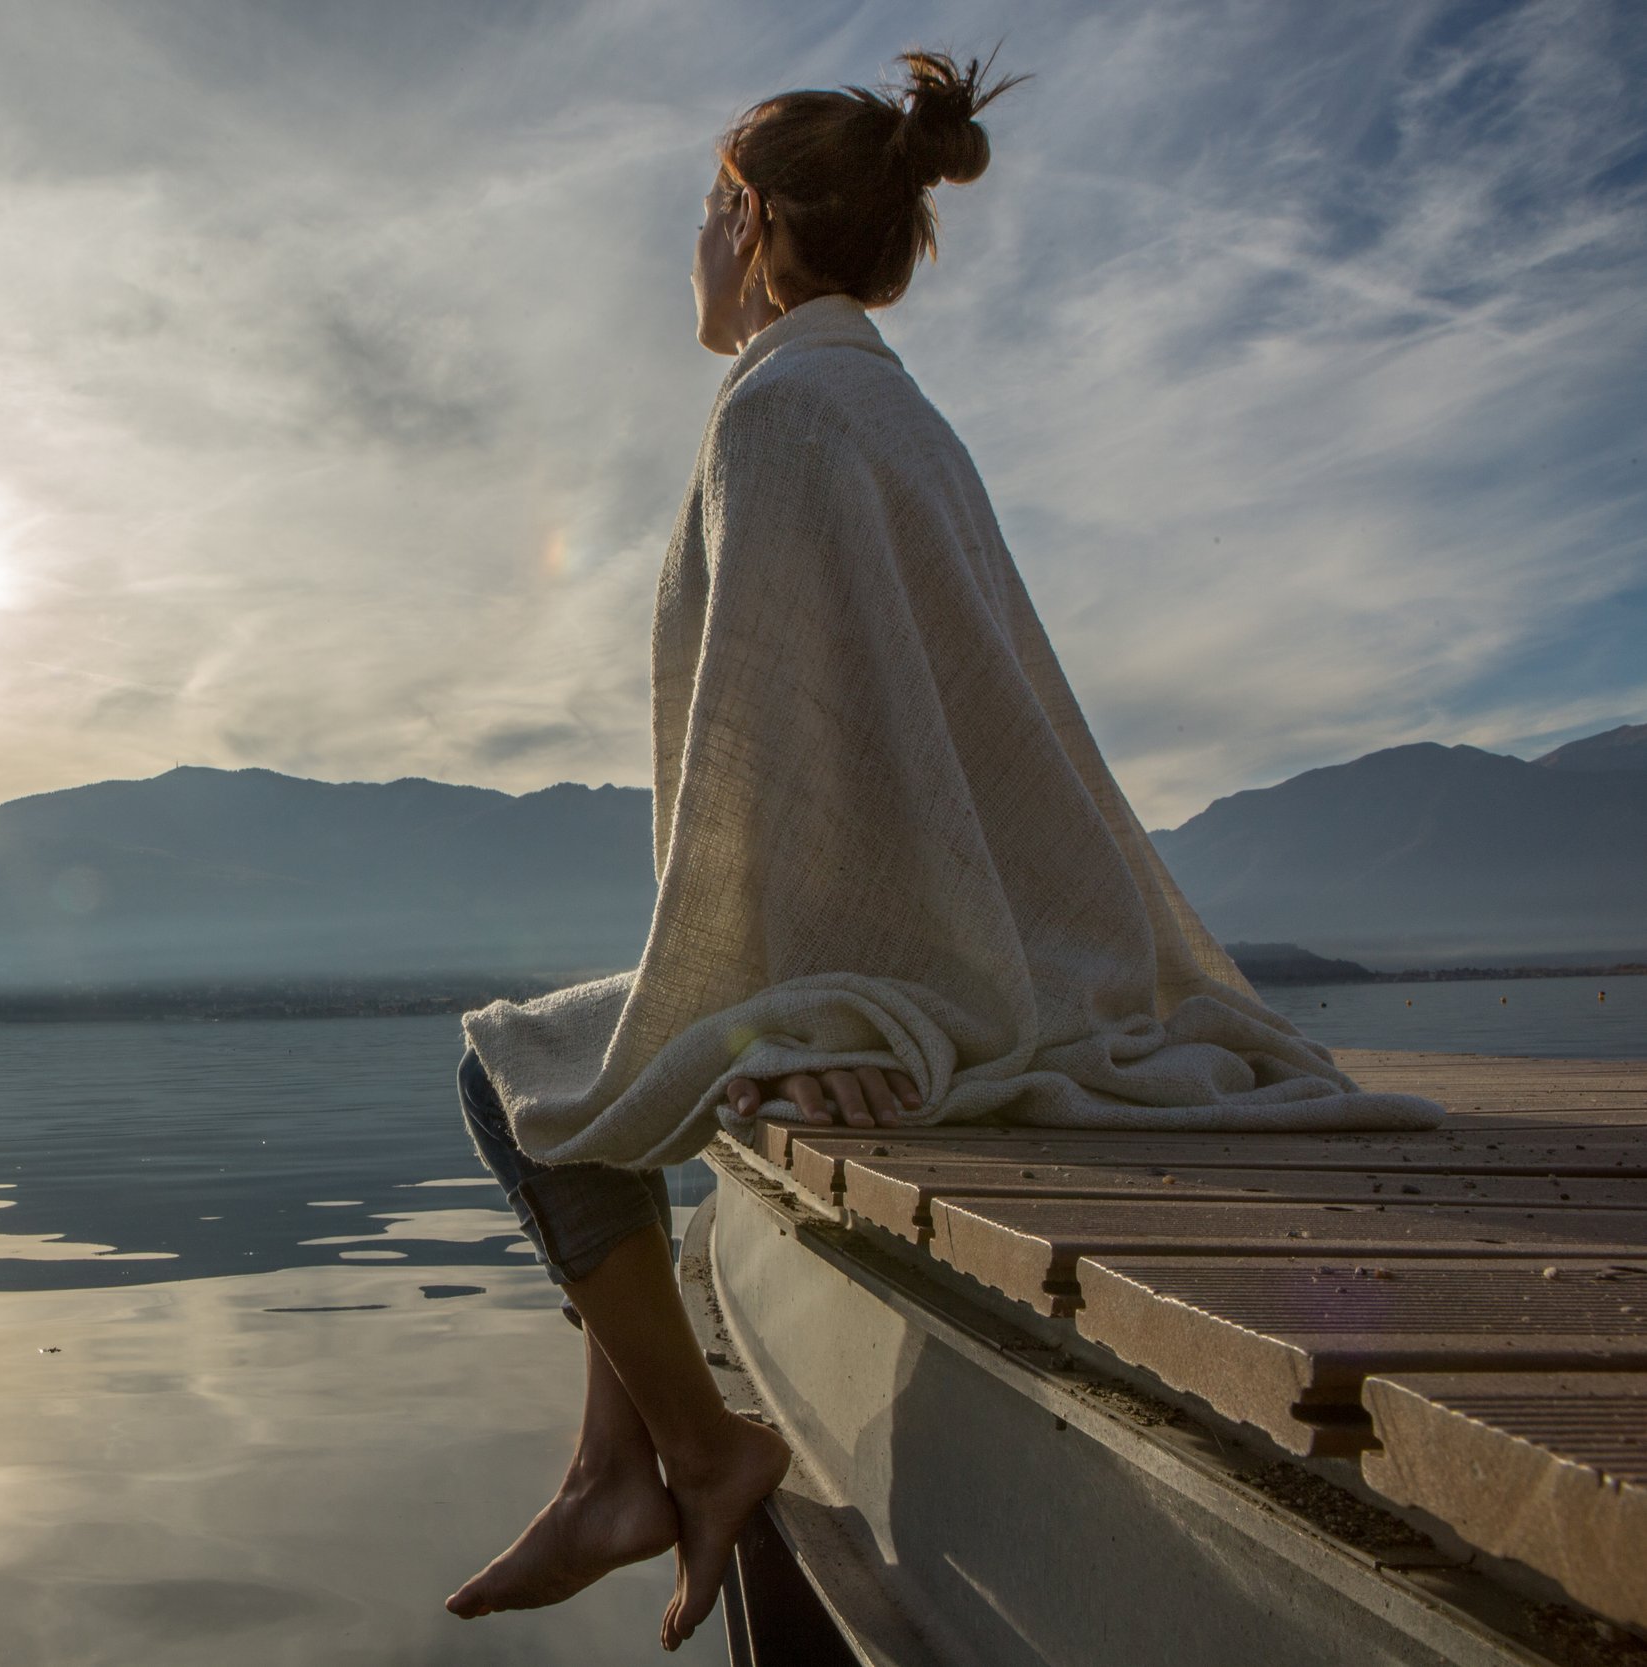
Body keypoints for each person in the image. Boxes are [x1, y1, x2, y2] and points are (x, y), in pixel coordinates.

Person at [443, 48, 1439, 1653]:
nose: (691, 252)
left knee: (508, 1079)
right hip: (998, 945)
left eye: (706, 216)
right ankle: (609, 1471)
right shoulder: (891, 412)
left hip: (912, 966)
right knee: (610, 1074)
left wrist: (836, 1004)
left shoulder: (778, 420)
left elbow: (804, 777)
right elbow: (898, 751)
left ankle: (693, 1451)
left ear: (750, 221)